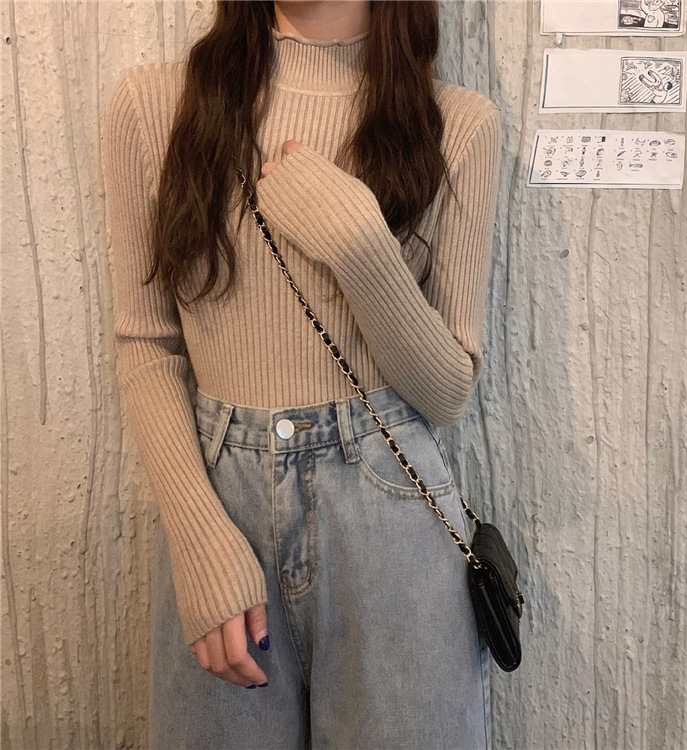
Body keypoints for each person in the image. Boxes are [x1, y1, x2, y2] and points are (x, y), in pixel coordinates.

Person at [104, 1, 502, 747]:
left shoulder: (457, 124)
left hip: (392, 528)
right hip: (220, 515)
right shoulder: (157, 106)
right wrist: (198, 536)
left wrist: (359, 245)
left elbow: (447, 392)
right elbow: (148, 344)